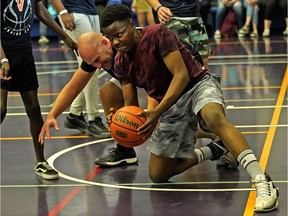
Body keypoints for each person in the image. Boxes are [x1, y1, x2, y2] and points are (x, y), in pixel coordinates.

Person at [97, 4, 278, 212]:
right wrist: (121, 122)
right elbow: (131, 106)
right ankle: (216, 148)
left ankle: (262, 180)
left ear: (131, 24)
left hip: (196, 85)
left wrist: (157, 112)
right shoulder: (120, 61)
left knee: (213, 117)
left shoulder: (157, 33)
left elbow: (181, 75)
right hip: (171, 107)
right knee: (158, 175)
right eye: (111, 39)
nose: (116, 42)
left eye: (119, 35)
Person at [1, 0, 77, 180]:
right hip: (3, 53)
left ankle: (41, 162)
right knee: (1, 109)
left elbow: (39, 10)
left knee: (34, 109)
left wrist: (63, 35)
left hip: (24, 53)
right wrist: (3, 60)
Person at [50, 0, 110, 139]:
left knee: (92, 66)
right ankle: (93, 119)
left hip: (90, 9)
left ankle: (75, 115)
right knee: (92, 64)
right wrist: (62, 11)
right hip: (73, 11)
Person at [146, 0, 211, 69]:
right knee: (184, 55)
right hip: (169, 16)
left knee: (203, 55)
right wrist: (158, 7)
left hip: (193, 14)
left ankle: (202, 78)